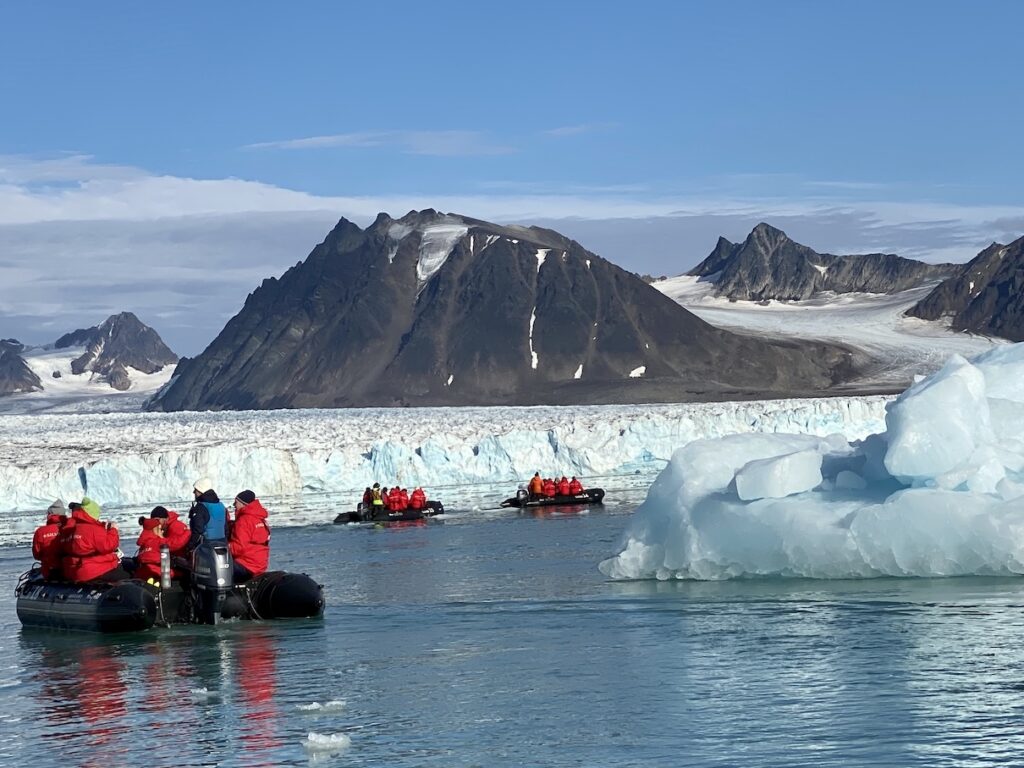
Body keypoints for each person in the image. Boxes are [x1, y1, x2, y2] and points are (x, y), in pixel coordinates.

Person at [61, 496, 130, 583]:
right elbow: (109, 545)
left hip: (74, 570)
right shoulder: (93, 530)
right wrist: (113, 530)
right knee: (128, 576)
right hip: (92, 571)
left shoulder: (71, 529)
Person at [229, 490, 270, 583]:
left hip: (246, 564)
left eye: (236, 502)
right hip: (260, 563)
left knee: (217, 568)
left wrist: (224, 548)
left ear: (244, 504)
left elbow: (238, 547)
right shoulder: (260, 519)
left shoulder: (244, 521)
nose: (234, 505)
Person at [186, 477, 228, 553]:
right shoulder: (221, 506)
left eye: (195, 490)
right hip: (222, 545)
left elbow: (198, 530)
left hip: (206, 546)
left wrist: (189, 546)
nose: (193, 492)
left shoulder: (201, 507)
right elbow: (225, 527)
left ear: (200, 491)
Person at [32, 500, 67, 579]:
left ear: (49, 515)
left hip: (49, 571)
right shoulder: (72, 528)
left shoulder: (41, 532)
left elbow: (37, 554)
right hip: (70, 570)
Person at [132, 517, 165, 582]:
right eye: (159, 528)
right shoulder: (158, 541)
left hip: (141, 572)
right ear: (155, 529)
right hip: (154, 571)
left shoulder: (144, 541)